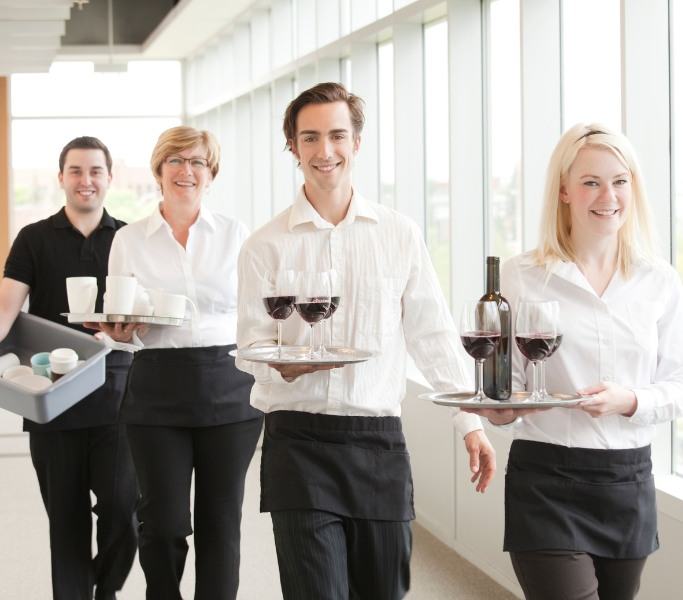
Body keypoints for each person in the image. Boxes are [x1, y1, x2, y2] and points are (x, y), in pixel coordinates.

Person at [236, 82, 496, 600]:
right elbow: (251, 346)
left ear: (357, 142)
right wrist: (279, 367)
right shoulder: (264, 246)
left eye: (337, 135)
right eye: (309, 138)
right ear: (293, 147)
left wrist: (470, 423)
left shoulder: (399, 234)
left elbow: (433, 333)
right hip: (297, 439)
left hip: (378, 442)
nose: (324, 151)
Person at [463, 123, 683, 600]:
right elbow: (509, 383)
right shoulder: (523, 277)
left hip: (628, 482)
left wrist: (630, 400)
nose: (609, 195)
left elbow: (678, 384)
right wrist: (502, 411)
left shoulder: (659, 280)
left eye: (620, 181)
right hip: (547, 480)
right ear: (563, 189)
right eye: (591, 182)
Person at [92, 126, 263, 600]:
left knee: (220, 523)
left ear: (210, 175)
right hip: (157, 389)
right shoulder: (128, 239)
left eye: (198, 163)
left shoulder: (235, 233)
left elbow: (256, 311)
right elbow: (118, 318)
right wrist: (120, 333)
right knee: (163, 522)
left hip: (230, 386)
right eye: (175, 160)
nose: (186, 170)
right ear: (159, 170)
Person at [0, 137, 139, 600]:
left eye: (95, 171)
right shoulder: (33, 239)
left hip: (119, 396)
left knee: (123, 508)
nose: (86, 180)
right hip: (52, 399)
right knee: (67, 520)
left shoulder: (129, 239)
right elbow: (5, 310)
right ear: (61, 178)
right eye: (76, 171)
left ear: (109, 178)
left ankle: (105, 587)